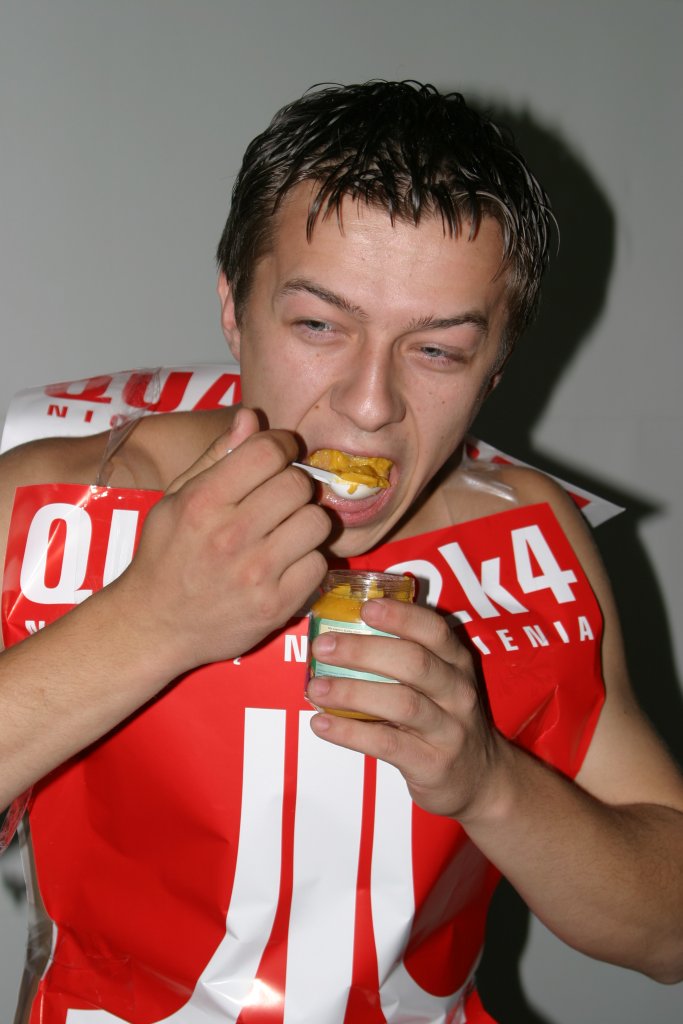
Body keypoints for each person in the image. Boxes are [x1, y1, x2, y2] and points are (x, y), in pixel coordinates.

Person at [0, 80, 681, 1024]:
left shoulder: (525, 538)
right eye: (319, 326)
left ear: (495, 365)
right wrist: (150, 622)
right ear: (234, 308)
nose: (369, 406)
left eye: (437, 350)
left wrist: (489, 782)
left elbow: (668, 934)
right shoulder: (52, 503)